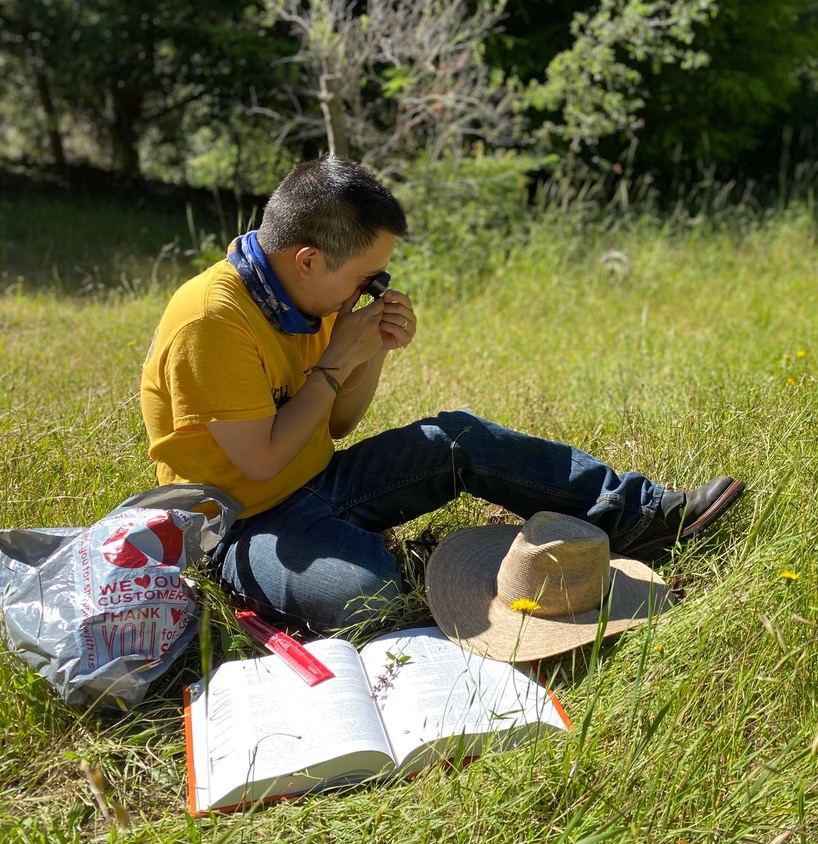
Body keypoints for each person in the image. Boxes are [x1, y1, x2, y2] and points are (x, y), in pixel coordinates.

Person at [140, 155, 743, 633]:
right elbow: (260, 460)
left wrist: (369, 348)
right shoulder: (211, 321)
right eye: (363, 279)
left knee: (459, 438)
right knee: (368, 598)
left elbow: (339, 424)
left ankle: (641, 514)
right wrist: (333, 364)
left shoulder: (312, 296)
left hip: (319, 482)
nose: (371, 290)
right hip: (240, 526)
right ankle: (362, 567)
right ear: (308, 259)